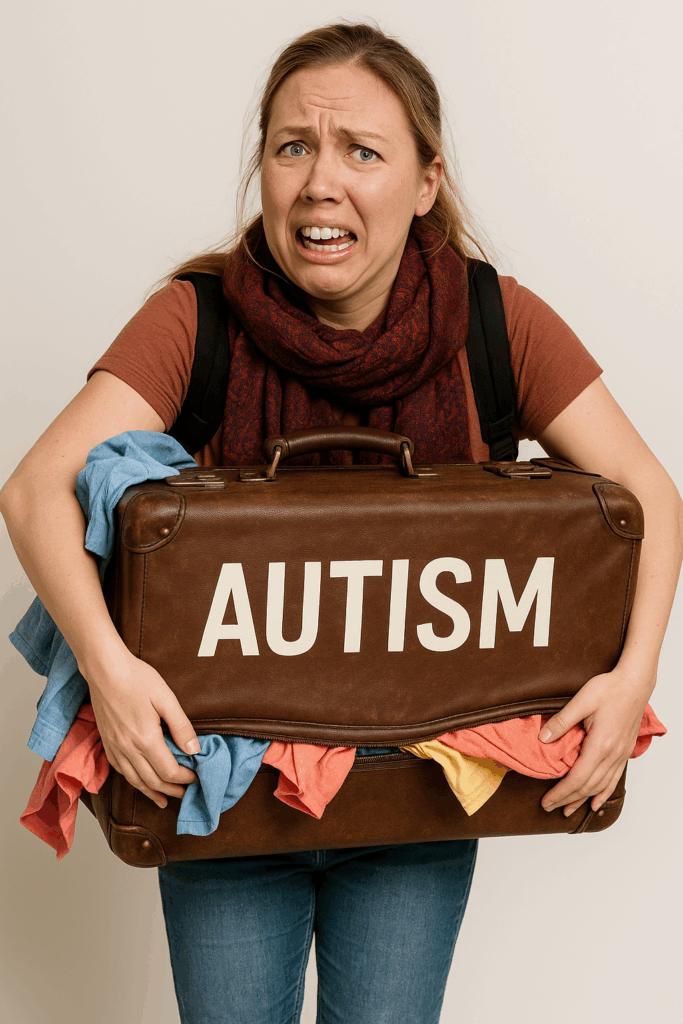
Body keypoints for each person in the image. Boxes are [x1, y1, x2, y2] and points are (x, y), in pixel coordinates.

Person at [1, 21, 681, 1024]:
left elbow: (646, 495)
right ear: (264, 170)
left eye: (362, 151)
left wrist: (631, 681)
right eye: (291, 147)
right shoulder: (197, 320)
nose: (320, 181)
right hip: (225, 795)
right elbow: (35, 488)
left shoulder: (495, 322)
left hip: (419, 792)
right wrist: (111, 668)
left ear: (423, 183)